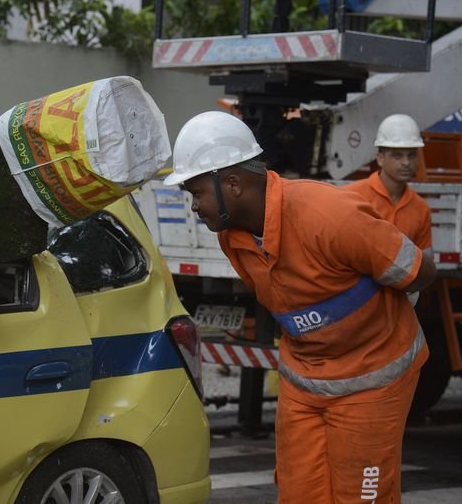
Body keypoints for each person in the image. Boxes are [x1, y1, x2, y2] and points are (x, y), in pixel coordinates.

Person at [164, 111, 436, 503]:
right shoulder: (233, 238)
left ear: (233, 184)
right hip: (305, 380)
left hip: (373, 377)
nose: (194, 206)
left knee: (360, 497)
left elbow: (419, 271)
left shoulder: (328, 214)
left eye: (196, 192)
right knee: (298, 494)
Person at [345, 113, 432, 257]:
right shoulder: (352, 196)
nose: (406, 163)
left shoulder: (421, 209)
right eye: (397, 155)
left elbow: (424, 264)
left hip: (399, 280)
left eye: (411, 155)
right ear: (380, 158)